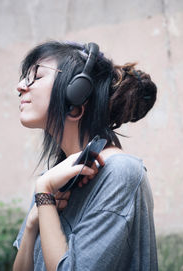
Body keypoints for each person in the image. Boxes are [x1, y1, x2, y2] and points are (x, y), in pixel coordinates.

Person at [12, 41, 158, 271]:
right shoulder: (51, 180)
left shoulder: (120, 173)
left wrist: (43, 192)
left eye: (37, 77)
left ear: (76, 97)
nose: (20, 86)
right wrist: (32, 224)